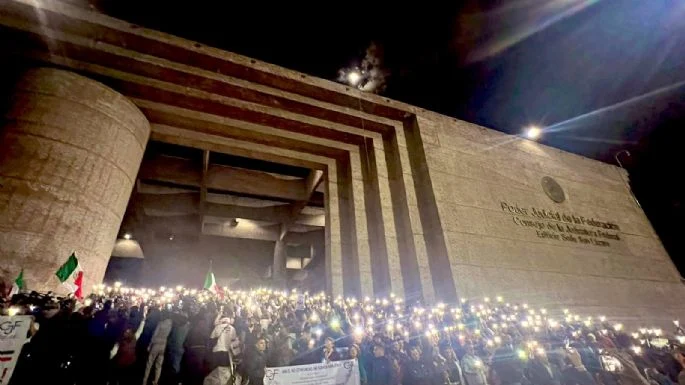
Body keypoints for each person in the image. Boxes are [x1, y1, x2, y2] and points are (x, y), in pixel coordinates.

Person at [142, 311, 173, 385]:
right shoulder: (171, 324)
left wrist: (150, 345)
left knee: (149, 363)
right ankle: (156, 381)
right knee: (159, 365)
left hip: (156, 344)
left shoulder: (161, 323)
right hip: (163, 345)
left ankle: (145, 380)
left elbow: (155, 334)